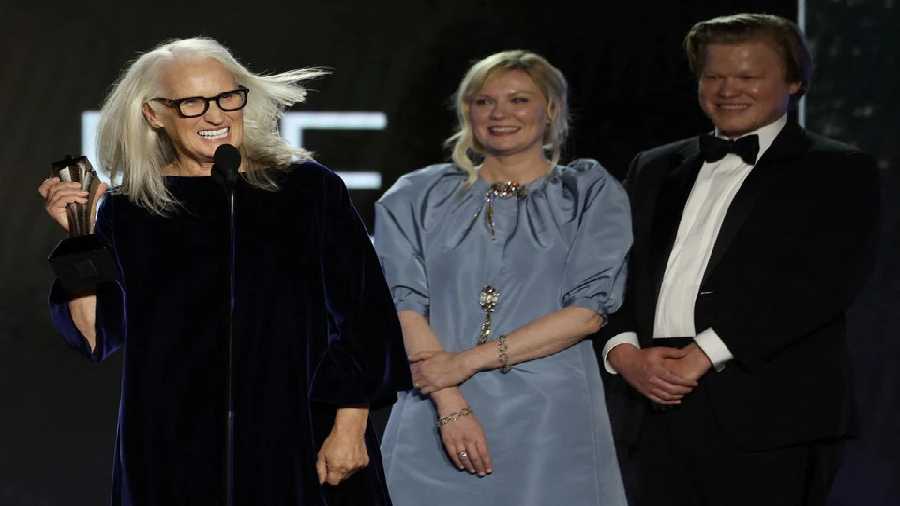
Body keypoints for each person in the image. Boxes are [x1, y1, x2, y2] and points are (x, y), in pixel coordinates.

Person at [38, 37, 410, 506]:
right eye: (192, 103)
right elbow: (96, 335)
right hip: (170, 451)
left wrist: (350, 426)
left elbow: (365, 317)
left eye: (227, 97)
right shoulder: (130, 209)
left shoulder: (307, 190)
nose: (215, 116)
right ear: (154, 113)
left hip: (300, 439)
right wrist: (80, 239)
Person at [598, 13, 881, 506]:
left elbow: (821, 285)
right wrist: (623, 352)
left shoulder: (837, 169)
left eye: (748, 76)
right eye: (713, 76)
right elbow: (610, 269)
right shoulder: (654, 165)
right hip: (650, 404)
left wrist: (706, 352)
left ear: (794, 82)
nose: (727, 90)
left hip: (770, 412)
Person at [374, 50, 631, 506]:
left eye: (518, 100)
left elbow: (588, 313)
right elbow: (402, 304)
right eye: (484, 101)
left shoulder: (587, 192)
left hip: (550, 416)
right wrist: (451, 402)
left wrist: (466, 361)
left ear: (550, 109)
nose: (500, 114)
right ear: (466, 110)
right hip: (434, 404)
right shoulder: (416, 195)